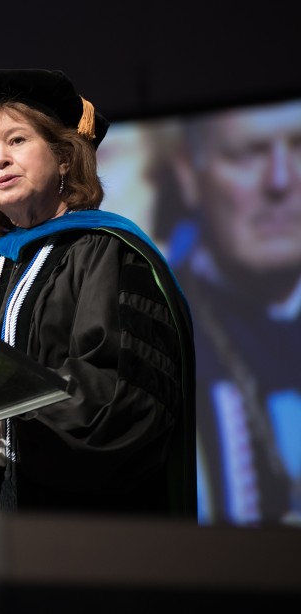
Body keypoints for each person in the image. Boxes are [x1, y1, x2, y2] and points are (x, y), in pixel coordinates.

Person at [0, 69, 196, 614]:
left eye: (17, 140)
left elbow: (119, 409)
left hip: (79, 558)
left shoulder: (108, 257)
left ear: (65, 157)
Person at [170, 99, 301, 527]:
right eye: (250, 153)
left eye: (300, 147)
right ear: (190, 175)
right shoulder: (153, 333)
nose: (281, 180)